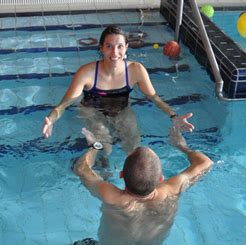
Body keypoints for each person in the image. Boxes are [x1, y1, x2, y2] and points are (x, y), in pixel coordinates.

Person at [72, 126, 213, 245]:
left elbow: (81, 169)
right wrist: (181, 145)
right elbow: (205, 163)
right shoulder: (173, 190)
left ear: (121, 175)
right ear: (161, 178)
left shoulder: (111, 196)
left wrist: (95, 146)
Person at [42, 25, 193, 153]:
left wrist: (174, 116)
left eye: (120, 46)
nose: (115, 53)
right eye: (109, 46)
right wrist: (52, 120)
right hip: (92, 111)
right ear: (101, 48)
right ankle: (104, 168)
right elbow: (64, 104)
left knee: (133, 145)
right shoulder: (86, 73)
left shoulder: (136, 70)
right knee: (104, 148)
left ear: (126, 47)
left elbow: (155, 98)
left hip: (122, 109)